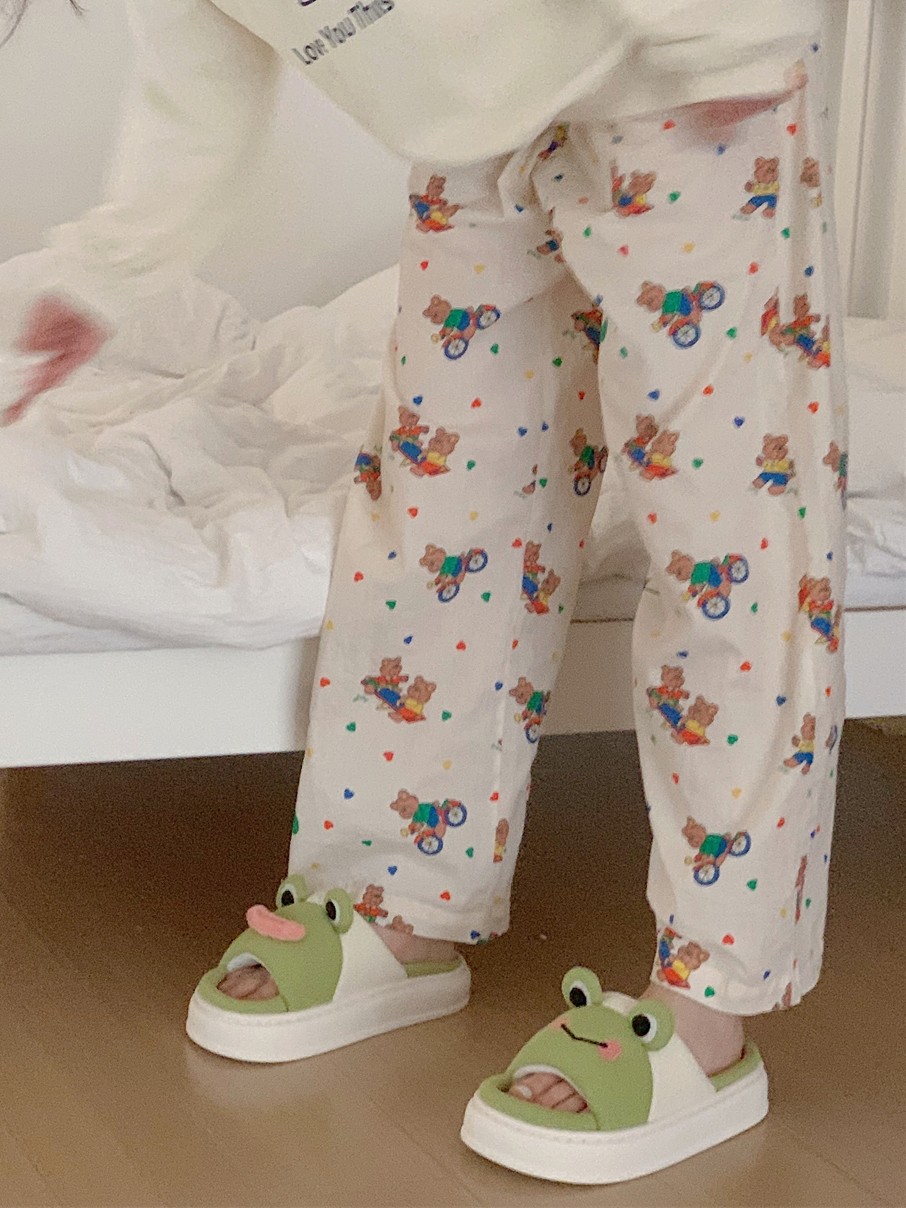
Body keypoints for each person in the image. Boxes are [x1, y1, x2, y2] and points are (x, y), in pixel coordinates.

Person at [6, 0, 847, 1184]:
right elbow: (200, 79)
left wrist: (724, 36)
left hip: (683, 72)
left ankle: (711, 1002)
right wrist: (106, 269)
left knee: (722, 537)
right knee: (443, 507)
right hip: (477, 130)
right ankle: (399, 900)